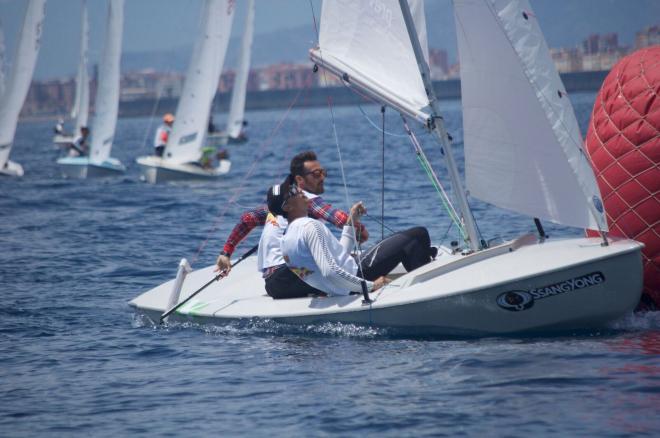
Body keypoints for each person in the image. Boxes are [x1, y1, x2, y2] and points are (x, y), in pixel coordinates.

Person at [214, 150, 368, 298]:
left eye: (323, 172)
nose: (322, 177)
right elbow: (339, 219)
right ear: (300, 180)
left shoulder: (279, 204)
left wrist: (226, 253)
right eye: (316, 174)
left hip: (272, 285)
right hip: (291, 275)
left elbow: (247, 219)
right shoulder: (307, 200)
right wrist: (360, 229)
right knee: (358, 267)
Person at [273, 181, 436, 297]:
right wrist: (370, 286)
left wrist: (351, 222)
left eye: (295, 186)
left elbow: (337, 259)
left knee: (405, 239)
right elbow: (330, 271)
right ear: (287, 207)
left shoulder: (285, 240)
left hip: (339, 287)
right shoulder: (310, 226)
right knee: (417, 235)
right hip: (357, 275)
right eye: (293, 191)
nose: (299, 190)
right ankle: (426, 293)